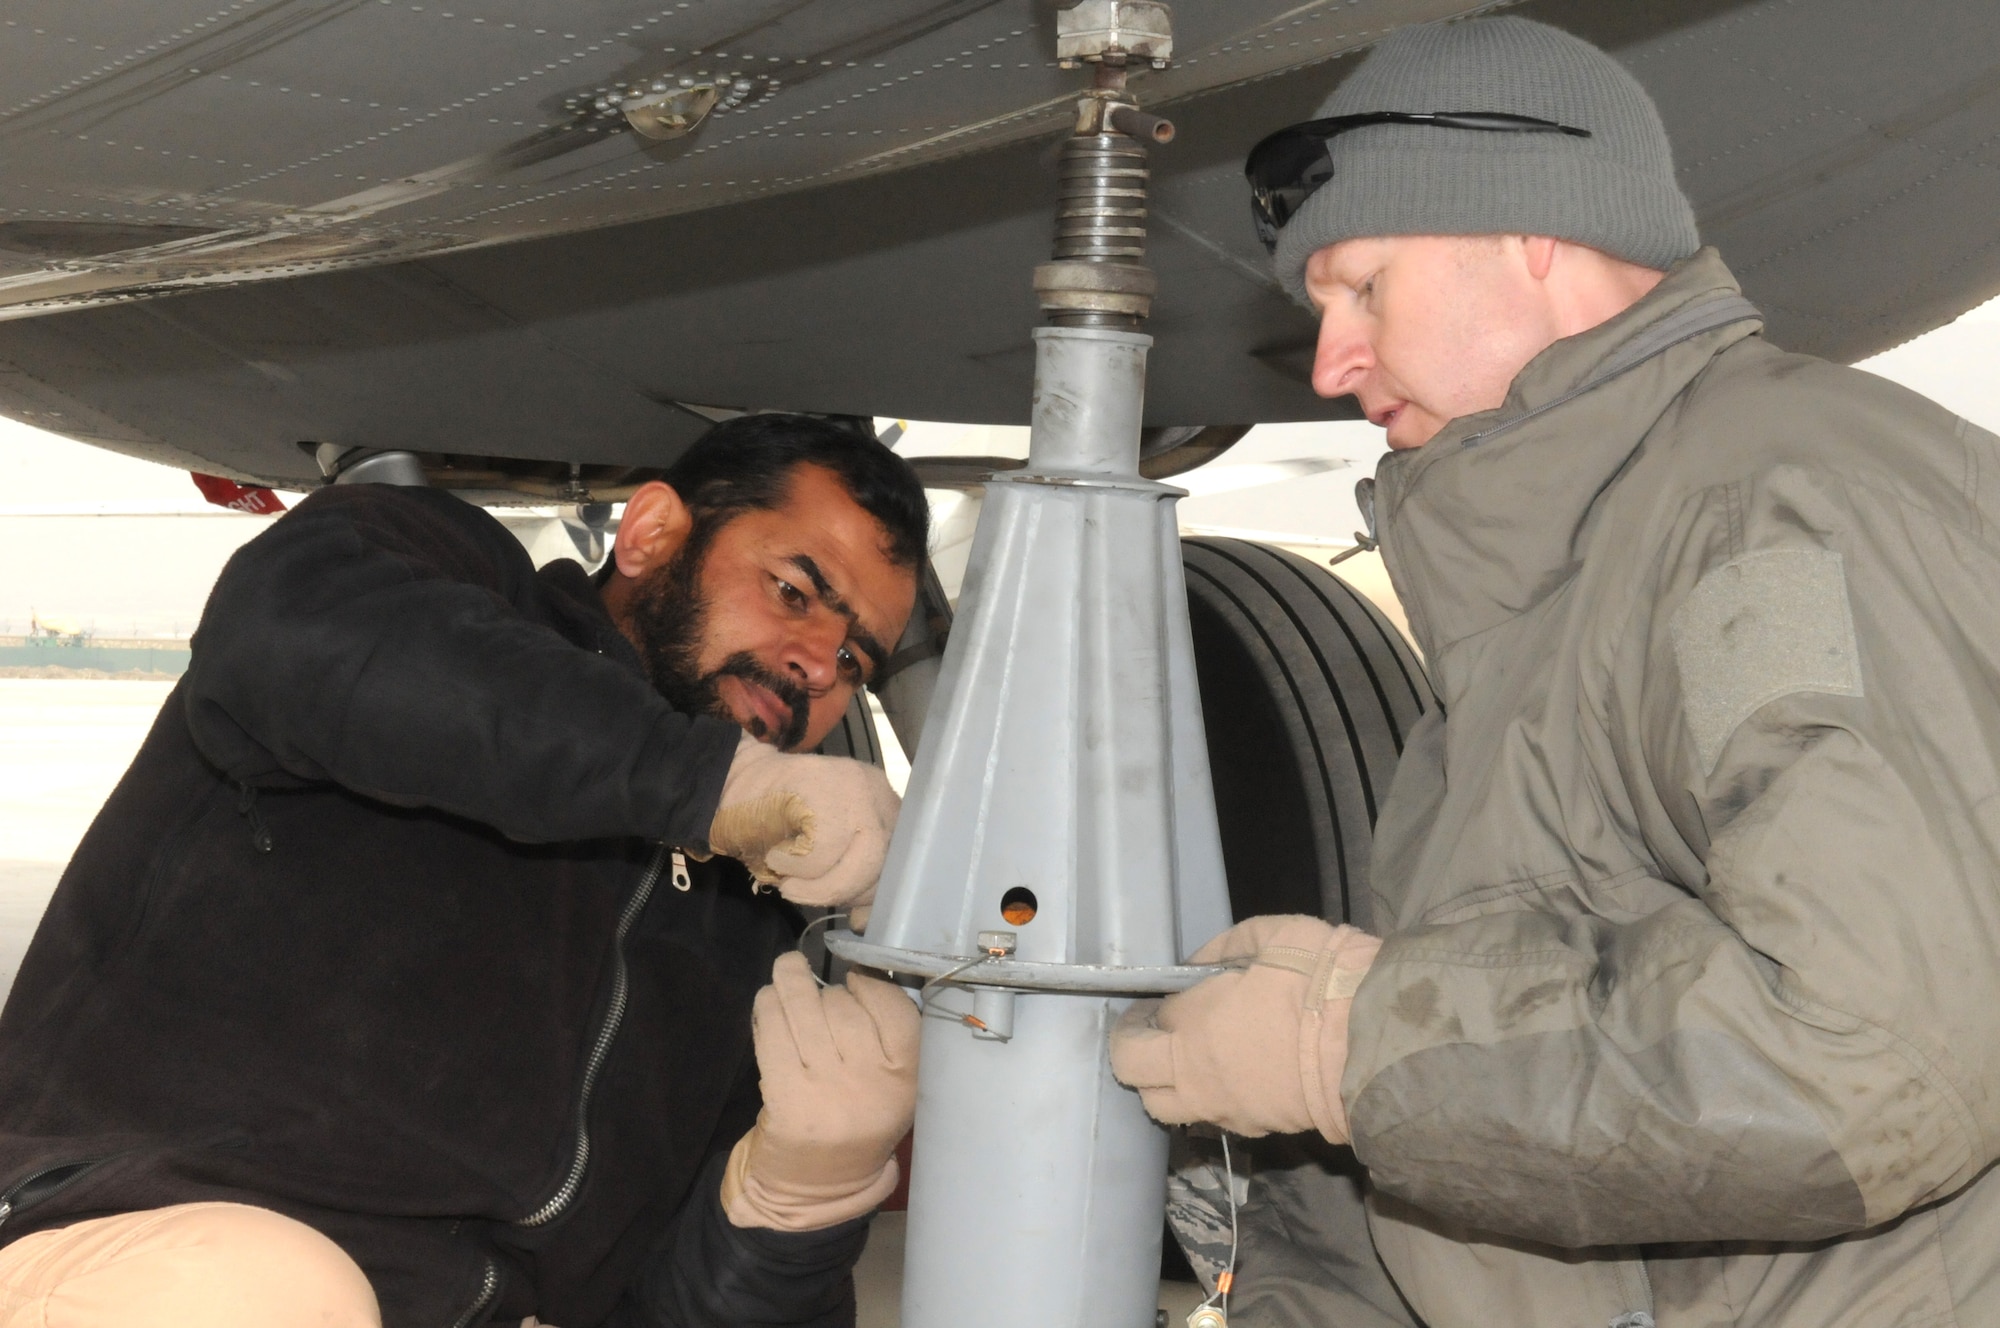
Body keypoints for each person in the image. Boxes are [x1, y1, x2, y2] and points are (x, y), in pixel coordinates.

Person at [1111, 16, 2000, 1326]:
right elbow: (1477, 1171)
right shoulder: (1548, 595)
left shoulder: (1772, 511)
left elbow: (1865, 1061)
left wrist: (1350, 1046)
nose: (1328, 363)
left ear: (1535, 238)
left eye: (1364, 287)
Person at [0, 413, 929, 1328]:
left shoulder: (755, 936)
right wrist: (709, 784)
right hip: (133, 1252)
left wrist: (791, 1205)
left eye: (854, 660)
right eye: (792, 592)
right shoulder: (440, 575)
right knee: (266, 1293)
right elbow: (296, 633)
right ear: (650, 534)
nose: (816, 666)